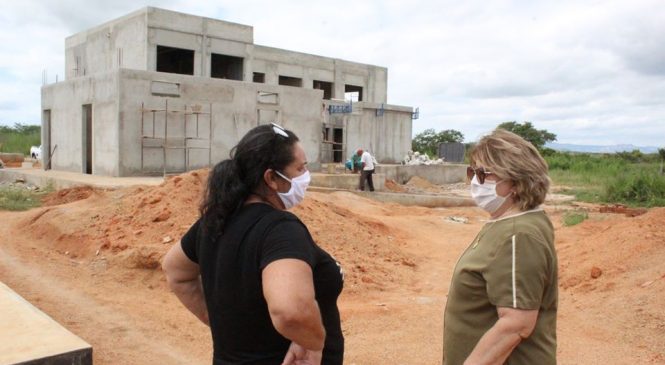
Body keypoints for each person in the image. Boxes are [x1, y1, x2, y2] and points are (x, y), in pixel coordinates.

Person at [163, 123, 344, 365]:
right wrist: (313, 343)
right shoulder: (280, 229)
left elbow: (175, 271)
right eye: (299, 168)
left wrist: (219, 321)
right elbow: (290, 311)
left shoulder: (215, 220)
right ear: (271, 178)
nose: (305, 176)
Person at [443, 129, 558, 365]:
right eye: (472, 172)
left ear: (516, 181)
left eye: (485, 174)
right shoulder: (508, 223)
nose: (476, 181)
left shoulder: (518, 235)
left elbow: (516, 324)